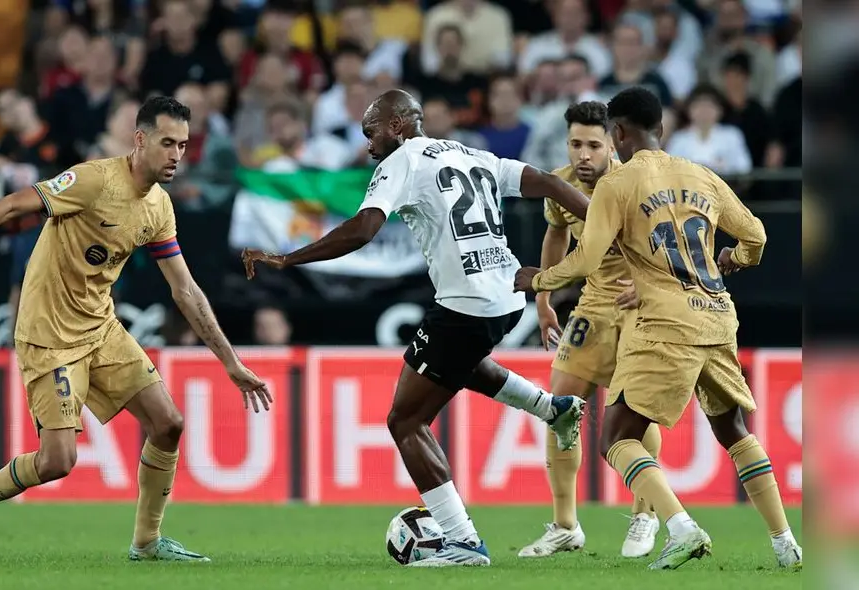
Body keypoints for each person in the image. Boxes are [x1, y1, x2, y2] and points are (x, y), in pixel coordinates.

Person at [0, 96, 272, 564]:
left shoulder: (159, 207)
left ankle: (146, 543)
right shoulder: (91, 180)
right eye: (167, 143)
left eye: (183, 145)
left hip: (101, 328)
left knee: (169, 424)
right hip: (48, 335)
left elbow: (185, 290)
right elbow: (10, 205)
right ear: (140, 139)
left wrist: (232, 363)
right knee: (57, 462)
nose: (176, 155)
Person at [242, 89, 590, 567]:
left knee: (405, 420)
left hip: (467, 304)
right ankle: (552, 409)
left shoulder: (402, 159)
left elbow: (364, 229)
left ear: (400, 125)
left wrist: (288, 257)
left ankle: (462, 541)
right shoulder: (469, 152)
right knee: (460, 364)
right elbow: (548, 180)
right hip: (508, 296)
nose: (368, 145)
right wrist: (601, 220)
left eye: (373, 131)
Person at [515, 87, 803, 571]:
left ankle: (681, 527)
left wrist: (538, 282)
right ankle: (785, 542)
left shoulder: (617, 183)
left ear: (618, 134)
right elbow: (755, 234)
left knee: (616, 437)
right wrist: (735, 258)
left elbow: (585, 257)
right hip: (716, 315)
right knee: (732, 429)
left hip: (665, 320)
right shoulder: (702, 174)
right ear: (663, 130)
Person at [518, 100, 663, 560]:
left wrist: (649, 284)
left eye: (593, 145)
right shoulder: (559, 185)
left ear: (613, 143)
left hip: (640, 301)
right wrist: (543, 303)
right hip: (594, 303)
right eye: (575, 144)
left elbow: (673, 236)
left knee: (634, 407)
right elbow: (556, 235)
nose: (583, 154)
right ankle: (565, 525)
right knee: (559, 408)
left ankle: (646, 513)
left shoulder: (637, 181)